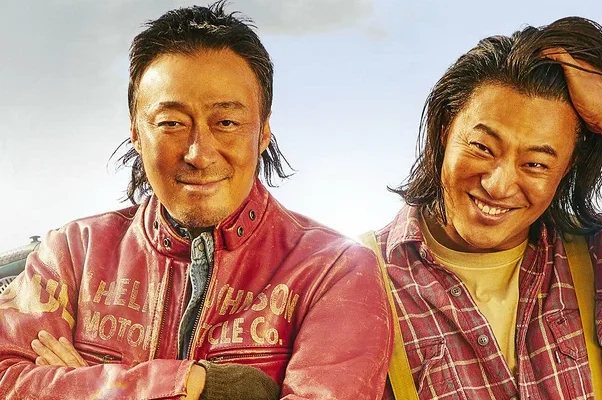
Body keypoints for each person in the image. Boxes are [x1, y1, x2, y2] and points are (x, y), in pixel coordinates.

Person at [0, 3, 391, 399]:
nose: (199, 154)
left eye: (226, 123)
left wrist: (87, 384)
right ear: (136, 132)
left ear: (263, 132)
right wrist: (194, 384)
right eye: (172, 123)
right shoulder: (72, 254)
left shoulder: (334, 271)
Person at [368, 16, 602, 399]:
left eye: (536, 164)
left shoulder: (598, 263)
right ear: (445, 130)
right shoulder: (356, 281)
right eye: (482, 147)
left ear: (567, 168)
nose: (498, 185)